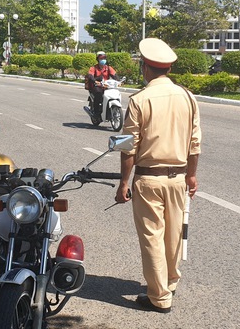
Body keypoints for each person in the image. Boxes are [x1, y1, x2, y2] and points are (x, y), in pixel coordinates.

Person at [114, 38, 201, 313]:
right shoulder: (188, 97)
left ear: (144, 68)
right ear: (169, 69)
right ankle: (170, 282)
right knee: (174, 234)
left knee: (152, 236)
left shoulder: (140, 100)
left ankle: (159, 298)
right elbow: (195, 143)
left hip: (149, 179)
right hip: (178, 178)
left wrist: (123, 183)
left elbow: (128, 148)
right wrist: (191, 176)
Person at [85, 51, 117, 119]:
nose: (103, 60)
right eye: (101, 58)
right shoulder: (93, 68)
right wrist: (95, 81)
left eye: (104, 58)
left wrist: (119, 81)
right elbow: (90, 76)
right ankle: (96, 112)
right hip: (96, 86)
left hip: (106, 86)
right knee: (98, 94)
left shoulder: (108, 68)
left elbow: (115, 75)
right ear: (98, 59)